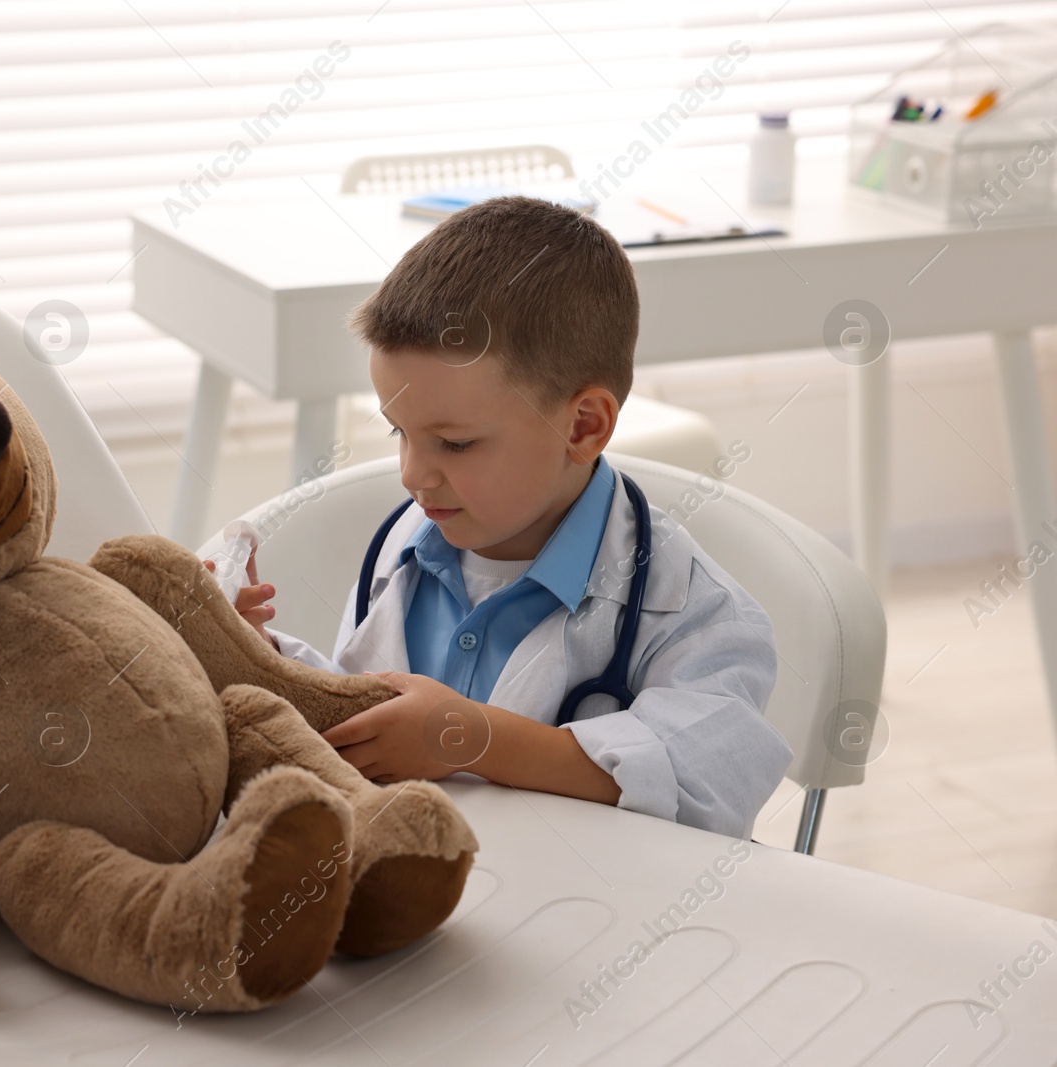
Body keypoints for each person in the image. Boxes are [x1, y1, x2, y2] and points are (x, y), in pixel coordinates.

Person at [203, 195, 792, 840]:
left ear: (582, 425)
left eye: (454, 444)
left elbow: (702, 785)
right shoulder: (405, 549)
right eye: (400, 431)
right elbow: (371, 714)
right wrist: (264, 662)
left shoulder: (695, 615)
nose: (413, 474)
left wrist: (471, 740)